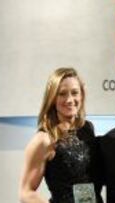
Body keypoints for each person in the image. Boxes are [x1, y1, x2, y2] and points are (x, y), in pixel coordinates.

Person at [19, 67, 102, 203]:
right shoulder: (44, 140)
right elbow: (26, 192)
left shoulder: (87, 128)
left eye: (75, 93)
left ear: (82, 95)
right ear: (52, 98)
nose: (70, 100)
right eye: (62, 94)